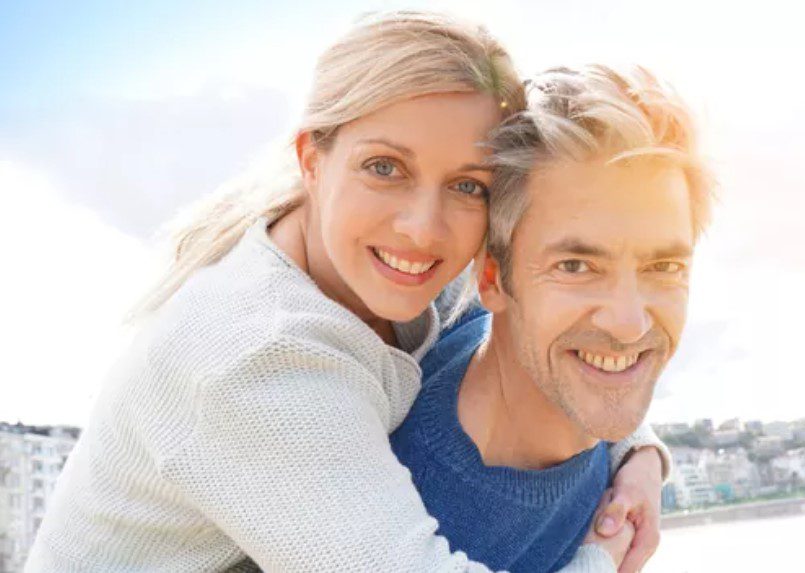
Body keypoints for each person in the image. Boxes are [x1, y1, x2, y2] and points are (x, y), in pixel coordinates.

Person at [25, 12, 667, 572]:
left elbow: (545, 333)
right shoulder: (257, 362)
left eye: (467, 184)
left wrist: (637, 451)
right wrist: (604, 553)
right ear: (312, 158)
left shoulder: (389, 265)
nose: (423, 229)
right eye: (385, 168)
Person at [390, 64, 713, 572]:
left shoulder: (608, 463)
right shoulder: (386, 510)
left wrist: (643, 454)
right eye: (576, 266)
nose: (629, 324)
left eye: (664, 267)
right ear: (492, 278)